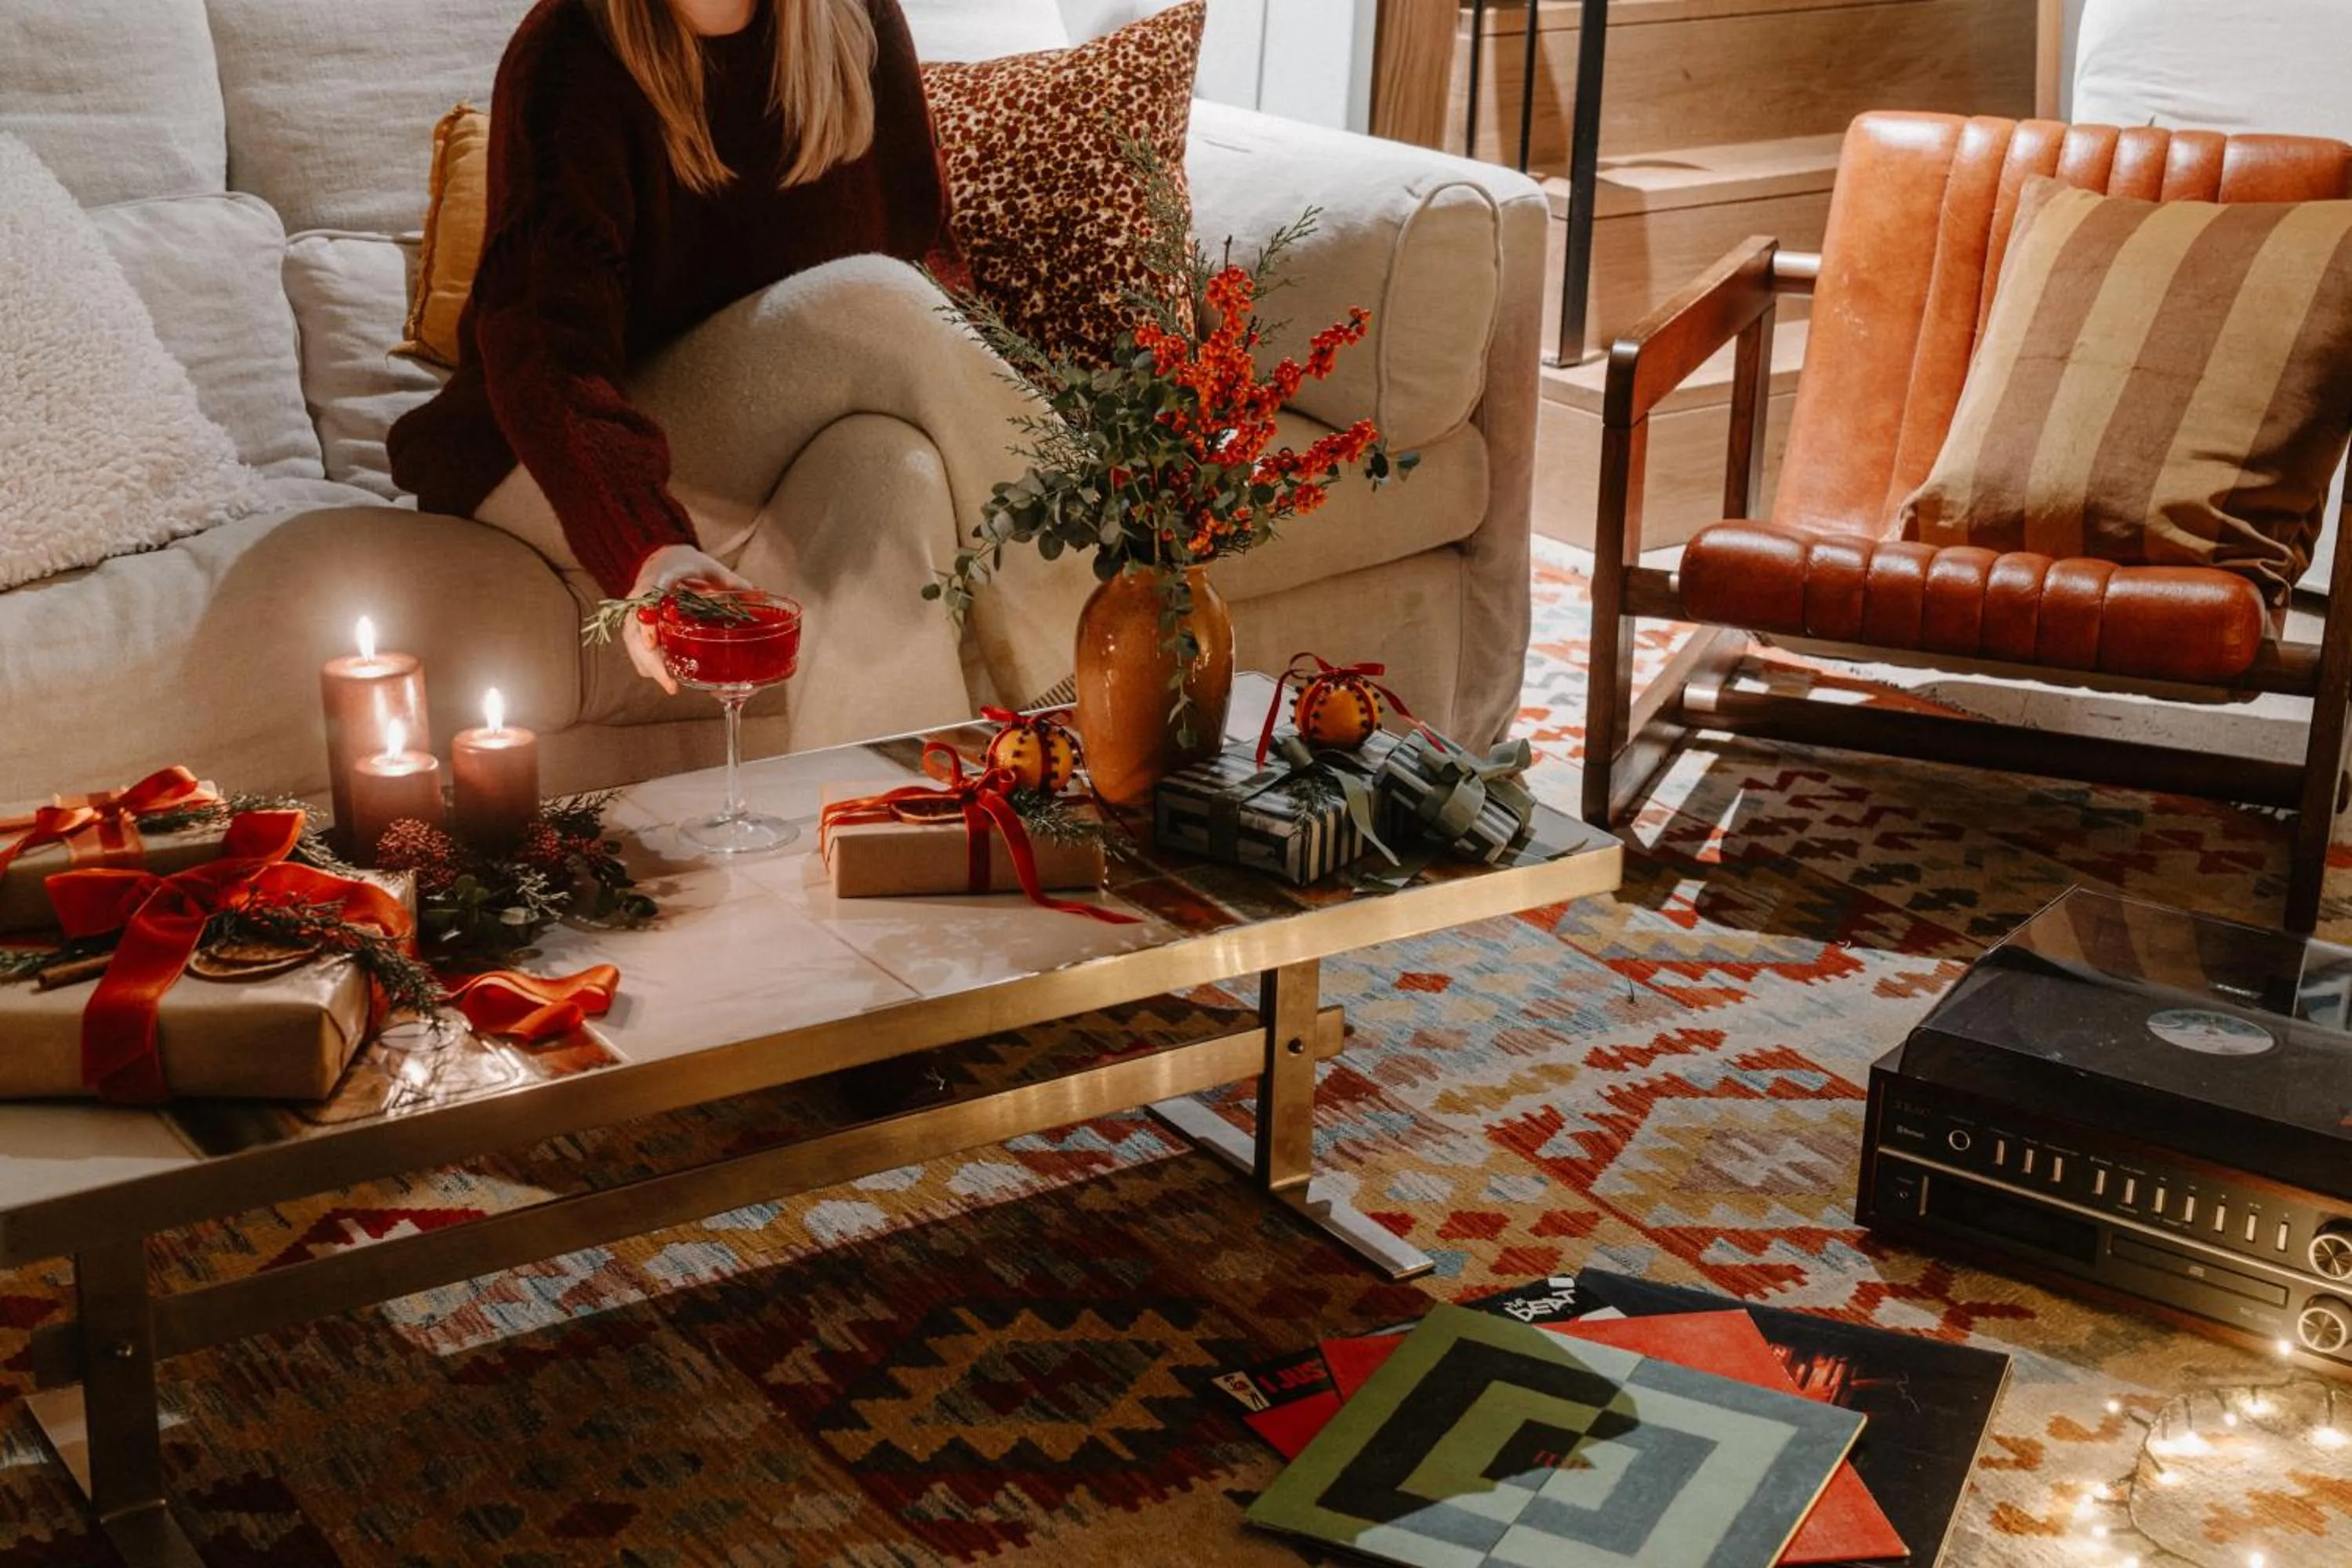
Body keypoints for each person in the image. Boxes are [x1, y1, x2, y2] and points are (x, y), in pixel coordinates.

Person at [389, 0, 1087, 743]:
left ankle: (882, 826)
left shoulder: (855, 20)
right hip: (545, 455)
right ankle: (1106, 665)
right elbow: (543, 354)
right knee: (877, 299)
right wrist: (646, 547)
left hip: (755, 438)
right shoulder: (571, 46)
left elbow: (929, 262)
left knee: (889, 470)